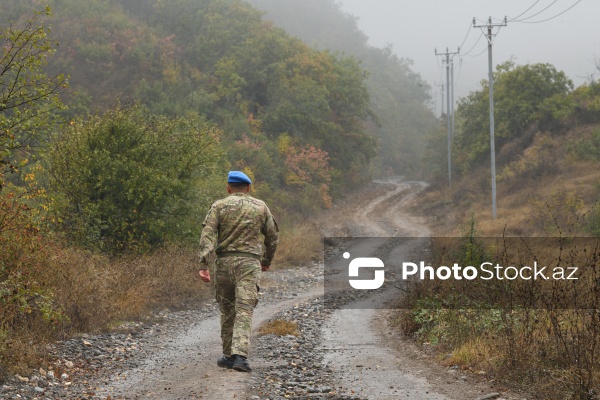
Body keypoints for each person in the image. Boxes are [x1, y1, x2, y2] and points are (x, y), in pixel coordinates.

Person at [198, 171, 279, 372]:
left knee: (227, 310)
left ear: (228, 188)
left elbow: (206, 235)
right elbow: (272, 236)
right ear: (248, 188)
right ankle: (240, 357)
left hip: (224, 263)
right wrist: (266, 260)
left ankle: (228, 355)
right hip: (249, 264)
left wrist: (203, 264)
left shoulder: (219, 206)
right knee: (244, 308)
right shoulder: (261, 207)